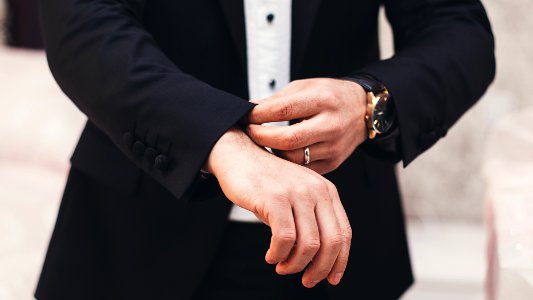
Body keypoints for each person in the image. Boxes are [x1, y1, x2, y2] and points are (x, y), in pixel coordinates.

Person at [36, 0, 495, 299]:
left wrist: (369, 103)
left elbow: (459, 30)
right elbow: (84, 24)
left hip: (339, 244)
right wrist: (217, 138)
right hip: (131, 238)